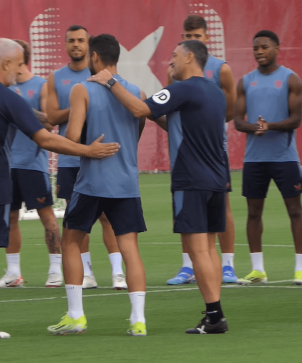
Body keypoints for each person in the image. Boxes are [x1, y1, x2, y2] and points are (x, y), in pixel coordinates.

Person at [0, 38, 120, 341]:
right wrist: (87, 151)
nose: (20, 69)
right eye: (17, 64)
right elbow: (46, 139)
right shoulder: (9, 98)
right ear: (5, 63)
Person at [90, 40, 230, 334]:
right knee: (209, 248)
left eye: (175, 57)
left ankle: (214, 317)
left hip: (191, 180)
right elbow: (179, 123)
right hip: (218, 179)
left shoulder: (182, 89)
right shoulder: (215, 93)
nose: (171, 62)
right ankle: (214, 313)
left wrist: (110, 80)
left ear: (190, 57)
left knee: (198, 250)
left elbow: (140, 109)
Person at [47, 34, 148, 337]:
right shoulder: (136, 91)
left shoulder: (82, 89)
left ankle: (76, 315)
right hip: (126, 182)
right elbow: (138, 127)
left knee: (70, 242)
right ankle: (138, 320)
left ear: (94, 57)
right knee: (129, 247)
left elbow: (73, 138)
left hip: (92, 182)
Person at [46, 25, 125, 290]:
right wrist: (82, 103)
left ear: (90, 48)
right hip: (72, 159)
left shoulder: (105, 77)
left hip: (102, 156)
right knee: (77, 219)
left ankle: (117, 273)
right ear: (65, 45)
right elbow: (52, 117)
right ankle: (87, 272)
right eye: (71, 41)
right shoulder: (56, 77)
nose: (76, 45)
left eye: (81, 40)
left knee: (107, 217)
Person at [164, 15, 238, 285]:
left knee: (222, 206)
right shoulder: (176, 68)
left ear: (207, 38)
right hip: (188, 151)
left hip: (214, 149)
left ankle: (228, 264)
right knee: (189, 214)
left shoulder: (222, 69)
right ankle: (187, 266)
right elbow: (171, 112)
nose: (192, 40)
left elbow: (230, 110)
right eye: (187, 36)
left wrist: (205, 128)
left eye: (197, 36)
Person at [233, 30, 302, 286]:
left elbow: (296, 120)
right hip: (254, 159)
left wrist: (270, 126)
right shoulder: (245, 81)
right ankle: (258, 270)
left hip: (284, 157)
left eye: (264, 47)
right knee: (253, 214)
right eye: (256, 48)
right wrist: (255, 127)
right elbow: (238, 121)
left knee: (295, 211)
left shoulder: (290, 79)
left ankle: (300, 269)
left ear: (277, 48)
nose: (259, 51)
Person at [0, 39, 63, 289]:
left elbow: (48, 123)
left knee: (48, 219)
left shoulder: (41, 85)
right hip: (7, 165)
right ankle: (13, 273)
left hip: (33, 165)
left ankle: (55, 270)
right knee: (10, 218)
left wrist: (19, 108)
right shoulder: (4, 87)